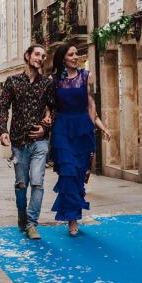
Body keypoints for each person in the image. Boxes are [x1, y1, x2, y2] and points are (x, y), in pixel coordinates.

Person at [49, 43, 111, 236]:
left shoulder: (86, 76)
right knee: (67, 172)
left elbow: (91, 104)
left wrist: (97, 127)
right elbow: (49, 105)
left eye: (77, 54)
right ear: (63, 58)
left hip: (82, 127)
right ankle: (72, 219)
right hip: (62, 129)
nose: (76, 57)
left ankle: (74, 212)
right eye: (71, 54)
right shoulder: (53, 80)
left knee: (78, 175)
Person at [0, 45, 55, 240]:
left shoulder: (47, 83)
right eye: (37, 54)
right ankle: (22, 215)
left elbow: (56, 109)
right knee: (21, 184)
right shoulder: (12, 81)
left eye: (43, 56)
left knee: (37, 182)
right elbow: (3, 107)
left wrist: (45, 128)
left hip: (39, 142)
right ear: (27, 56)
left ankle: (32, 223)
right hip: (19, 142)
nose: (41, 58)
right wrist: (3, 131)